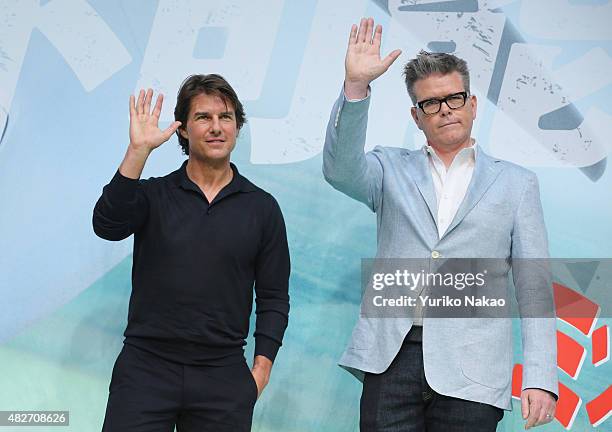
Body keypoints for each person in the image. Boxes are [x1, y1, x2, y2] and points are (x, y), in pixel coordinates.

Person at [323, 18, 557, 431]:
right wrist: (356, 88)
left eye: (454, 97)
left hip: (473, 367)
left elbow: (534, 286)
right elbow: (340, 169)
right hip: (391, 357)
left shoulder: (518, 184)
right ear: (417, 116)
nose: (445, 108)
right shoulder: (388, 167)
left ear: (472, 104)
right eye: (431, 103)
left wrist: (540, 377)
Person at [93, 74, 290, 432]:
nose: (216, 127)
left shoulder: (262, 209)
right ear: (183, 129)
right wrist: (138, 151)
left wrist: (259, 373)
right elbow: (107, 225)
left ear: (237, 126)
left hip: (223, 376)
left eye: (225, 117)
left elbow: (274, 297)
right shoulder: (154, 195)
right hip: (145, 369)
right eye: (203, 117)